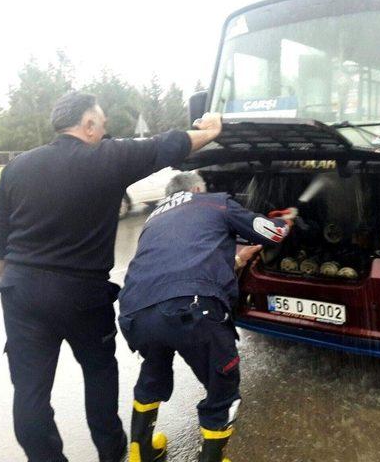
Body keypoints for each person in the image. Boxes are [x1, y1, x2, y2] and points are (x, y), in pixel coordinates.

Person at [0, 92, 222, 462]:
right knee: (99, 375)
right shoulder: (106, 158)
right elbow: (166, 146)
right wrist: (210, 131)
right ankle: (113, 455)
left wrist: (15, 286)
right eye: (102, 125)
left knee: (30, 393)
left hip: (21, 290)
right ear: (88, 125)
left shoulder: (18, 167)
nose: (105, 131)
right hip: (82, 293)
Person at [117, 171, 293, 462]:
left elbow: (180, 261)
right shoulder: (214, 202)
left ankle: (141, 451)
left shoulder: (155, 217)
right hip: (192, 310)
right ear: (198, 189)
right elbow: (272, 234)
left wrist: (237, 260)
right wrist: (285, 221)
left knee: (154, 370)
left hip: (135, 312)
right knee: (222, 388)